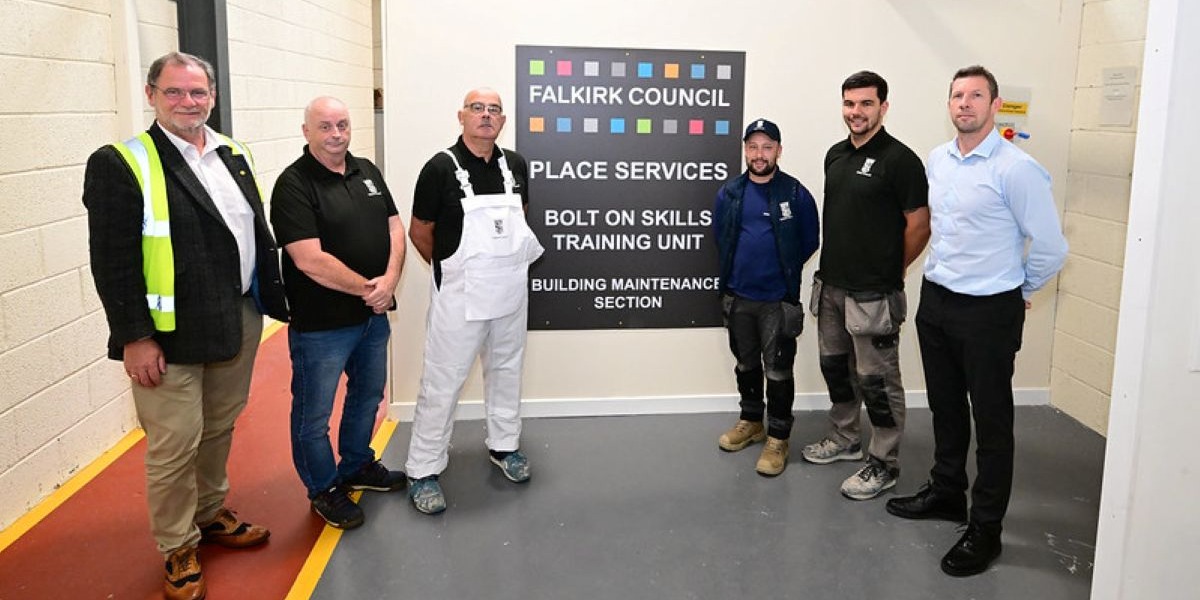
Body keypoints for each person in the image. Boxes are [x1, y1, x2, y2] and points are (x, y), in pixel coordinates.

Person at [83, 51, 289, 600]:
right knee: (174, 443)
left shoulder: (233, 154)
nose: (187, 102)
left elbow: (251, 232)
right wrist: (135, 337)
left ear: (212, 97)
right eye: (173, 91)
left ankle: (210, 511)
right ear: (151, 95)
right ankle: (177, 544)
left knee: (219, 426)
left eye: (197, 92)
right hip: (166, 333)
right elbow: (112, 260)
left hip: (236, 317)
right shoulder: (121, 163)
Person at [886, 65, 1068, 577]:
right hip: (938, 302)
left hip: (988, 311)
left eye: (975, 95)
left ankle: (986, 527)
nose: (964, 103)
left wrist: (1018, 292)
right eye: (957, 95)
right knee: (945, 407)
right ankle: (948, 493)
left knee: (991, 422)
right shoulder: (938, 160)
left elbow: (1051, 248)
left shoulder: (1017, 169)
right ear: (949, 104)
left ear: (994, 104)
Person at [405, 88, 544, 514]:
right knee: (443, 380)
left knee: (507, 370)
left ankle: (504, 446)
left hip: (509, 293)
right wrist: (452, 270)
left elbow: (520, 218)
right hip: (461, 297)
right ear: (461, 116)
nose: (486, 116)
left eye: (494, 110)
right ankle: (423, 469)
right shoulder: (439, 168)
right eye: (477, 108)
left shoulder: (515, 165)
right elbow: (419, 231)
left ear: (502, 120)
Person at [270, 96, 407, 530]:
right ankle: (323, 487)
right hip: (322, 325)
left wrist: (389, 281)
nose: (336, 134)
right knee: (314, 414)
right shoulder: (293, 184)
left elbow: (394, 226)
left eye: (342, 125)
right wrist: (372, 291)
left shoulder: (366, 171)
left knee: (368, 396)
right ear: (306, 131)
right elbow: (308, 259)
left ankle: (356, 465)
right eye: (326, 126)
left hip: (371, 319)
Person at [800, 71, 930, 501]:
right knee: (836, 370)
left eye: (866, 104)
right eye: (849, 103)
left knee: (877, 381)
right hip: (832, 288)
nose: (856, 112)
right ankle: (845, 439)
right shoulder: (835, 155)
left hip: (873, 294)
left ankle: (884, 462)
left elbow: (919, 225)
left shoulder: (900, 160)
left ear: (883, 107)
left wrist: (893, 269)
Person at [713, 119, 820, 476]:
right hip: (739, 297)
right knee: (746, 364)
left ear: (778, 150)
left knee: (777, 370)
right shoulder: (730, 193)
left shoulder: (795, 193)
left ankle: (778, 437)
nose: (759, 154)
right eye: (753, 147)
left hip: (777, 300)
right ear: (745, 150)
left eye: (767, 147)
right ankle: (751, 421)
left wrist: (780, 268)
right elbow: (721, 236)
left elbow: (809, 240)